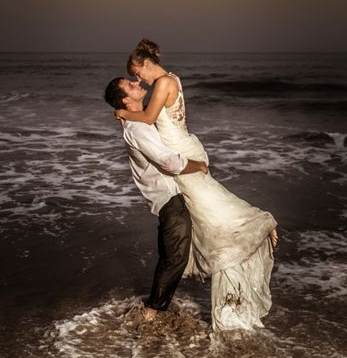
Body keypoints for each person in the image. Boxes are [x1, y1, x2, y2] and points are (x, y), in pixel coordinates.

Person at [114, 39, 278, 331]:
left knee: (211, 210)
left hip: (181, 154)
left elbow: (150, 117)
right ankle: (248, 240)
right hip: (182, 150)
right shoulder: (169, 79)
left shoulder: (163, 82)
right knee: (207, 211)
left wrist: (125, 113)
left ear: (146, 63)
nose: (139, 80)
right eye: (135, 79)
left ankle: (258, 223)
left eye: (137, 73)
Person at [104, 77, 209, 321]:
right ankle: (152, 312)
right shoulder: (138, 129)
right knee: (176, 257)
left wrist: (121, 112)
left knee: (170, 255)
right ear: (126, 100)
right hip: (169, 198)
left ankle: (156, 308)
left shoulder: (137, 122)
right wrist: (200, 166)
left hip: (167, 197)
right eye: (130, 85)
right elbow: (168, 162)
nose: (136, 82)